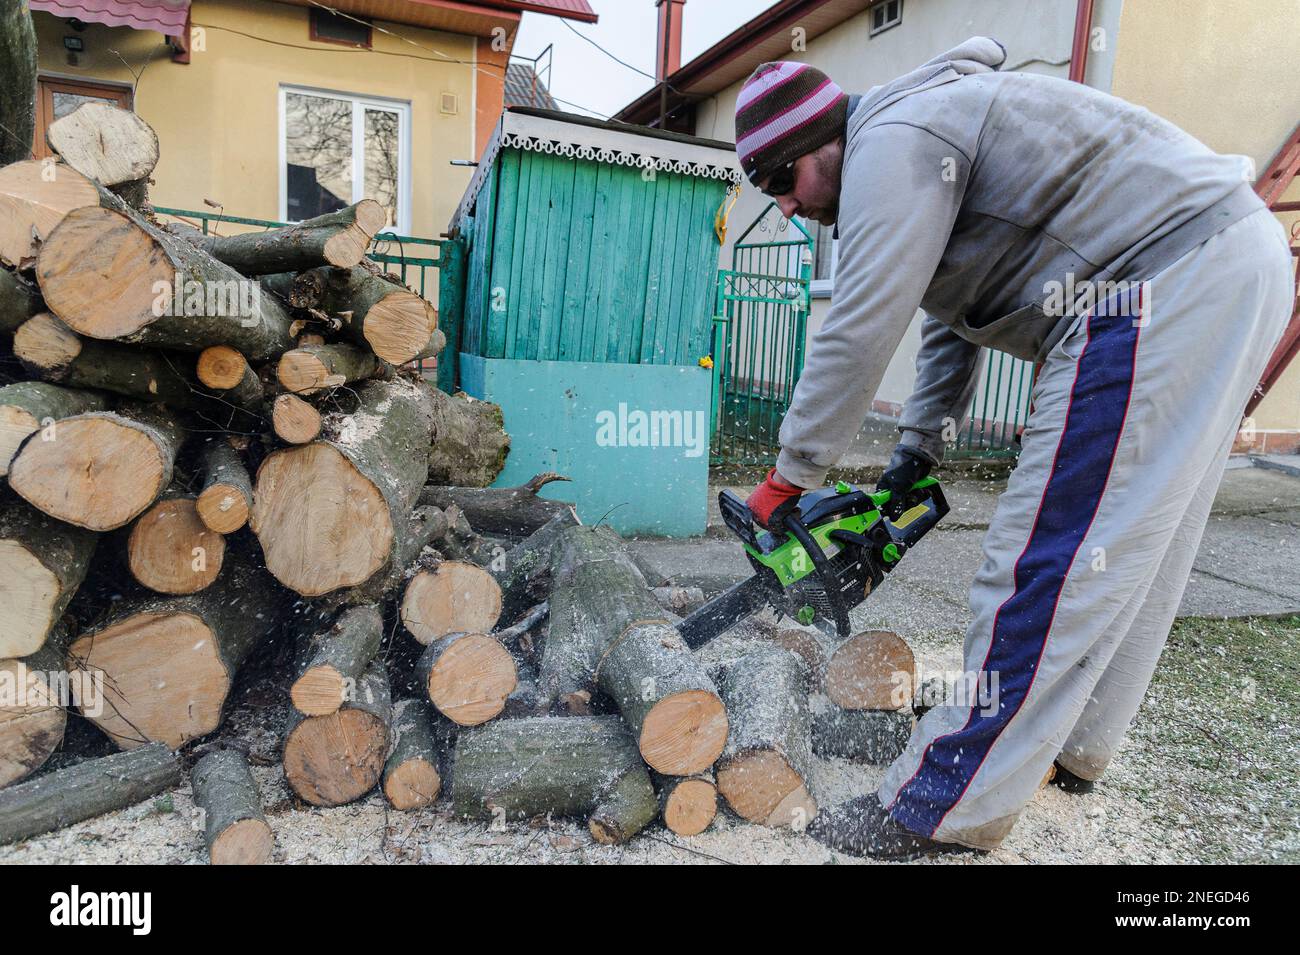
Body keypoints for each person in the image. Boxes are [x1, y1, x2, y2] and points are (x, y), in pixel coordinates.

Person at [735, 37, 1294, 859]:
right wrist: (916, 451)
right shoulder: (922, 137)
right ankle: (1068, 750)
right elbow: (946, 321)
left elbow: (857, 329)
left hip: (1153, 283)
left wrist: (789, 478)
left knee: (1049, 554)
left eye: (783, 180)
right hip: (1233, 261)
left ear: (824, 138)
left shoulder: (891, 142)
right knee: (1135, 547)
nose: (784, 205)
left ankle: (940, 802)